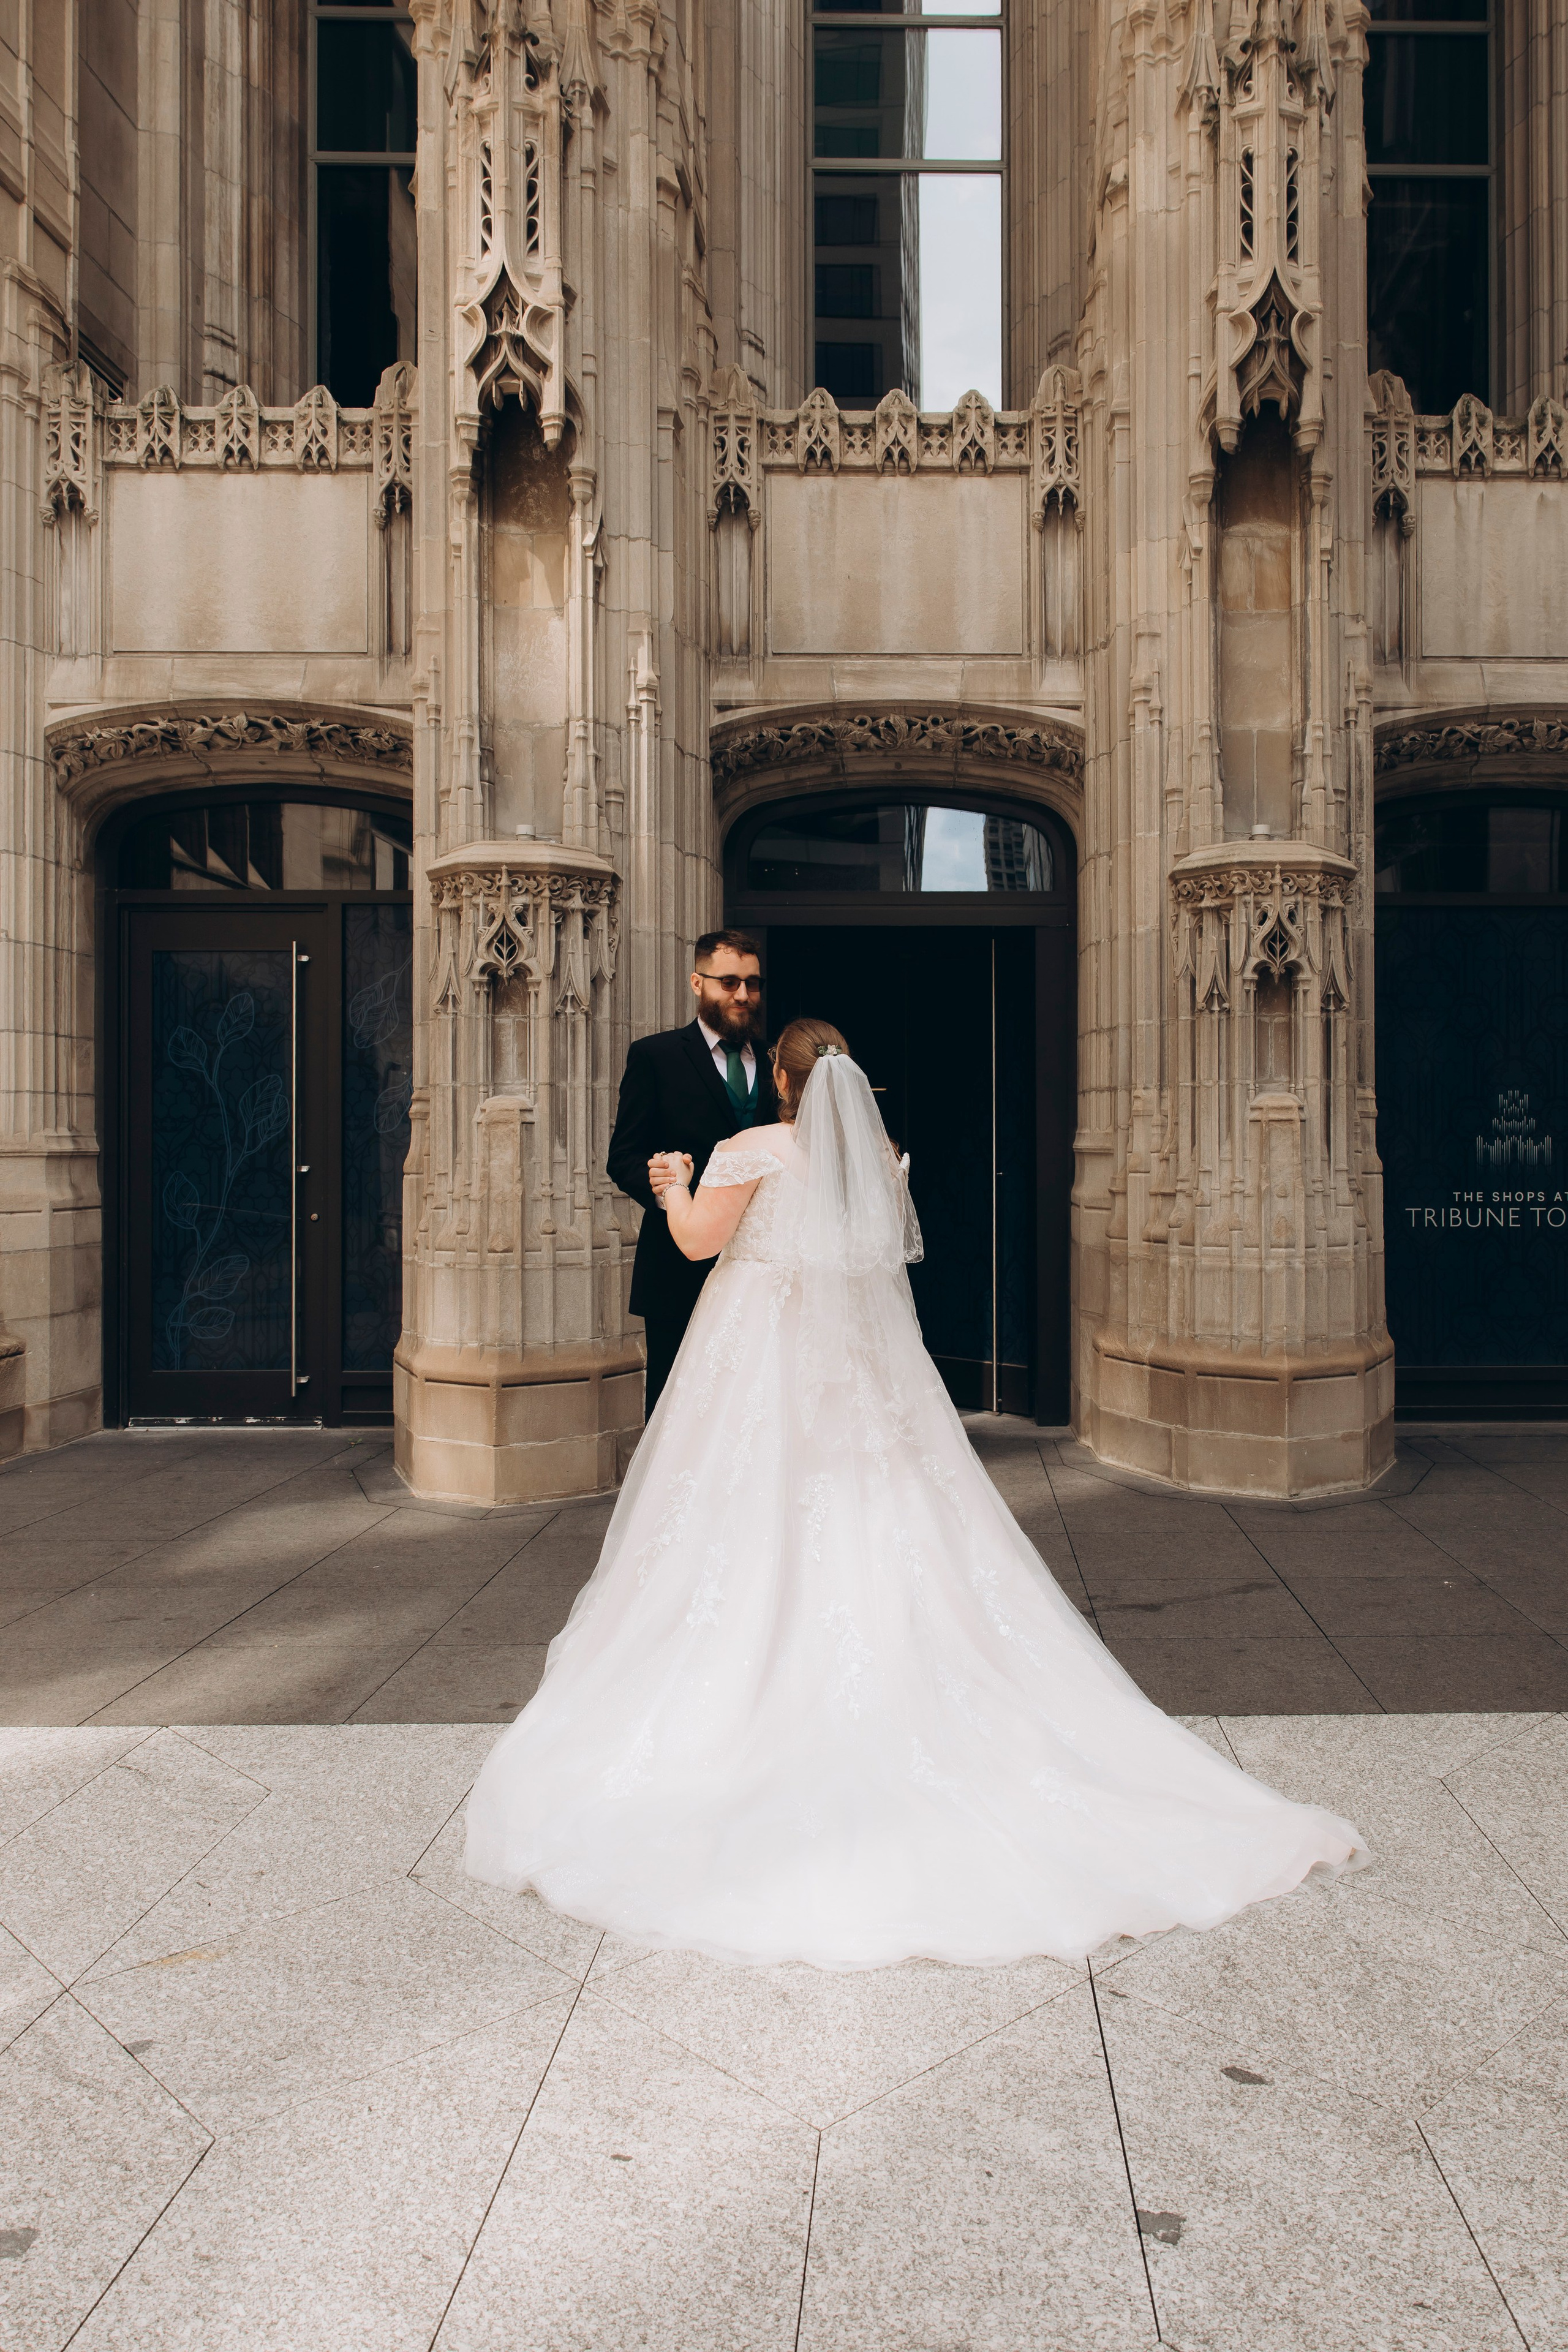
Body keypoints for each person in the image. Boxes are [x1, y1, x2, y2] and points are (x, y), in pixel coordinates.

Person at [466, 1017, 1365, 1970]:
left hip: (760, 1365)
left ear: (782, 1081)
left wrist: (672, 1185)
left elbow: (693, 1246)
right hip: (858, 1378)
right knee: (896, 1520)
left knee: (733, 1520)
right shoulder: (882, 1161)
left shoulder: (752, 1149)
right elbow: (880, 1267)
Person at [605, 929, 776, 1420]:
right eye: (729, 982)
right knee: (675, 1402)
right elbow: (624, 1156)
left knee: (753, 1400)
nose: (743, 995)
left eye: (752, 983)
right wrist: (672, 1193)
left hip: (762, 1265)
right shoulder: (655, 1056)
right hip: (677, 1265)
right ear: (697, 983)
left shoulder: (775, 1061)